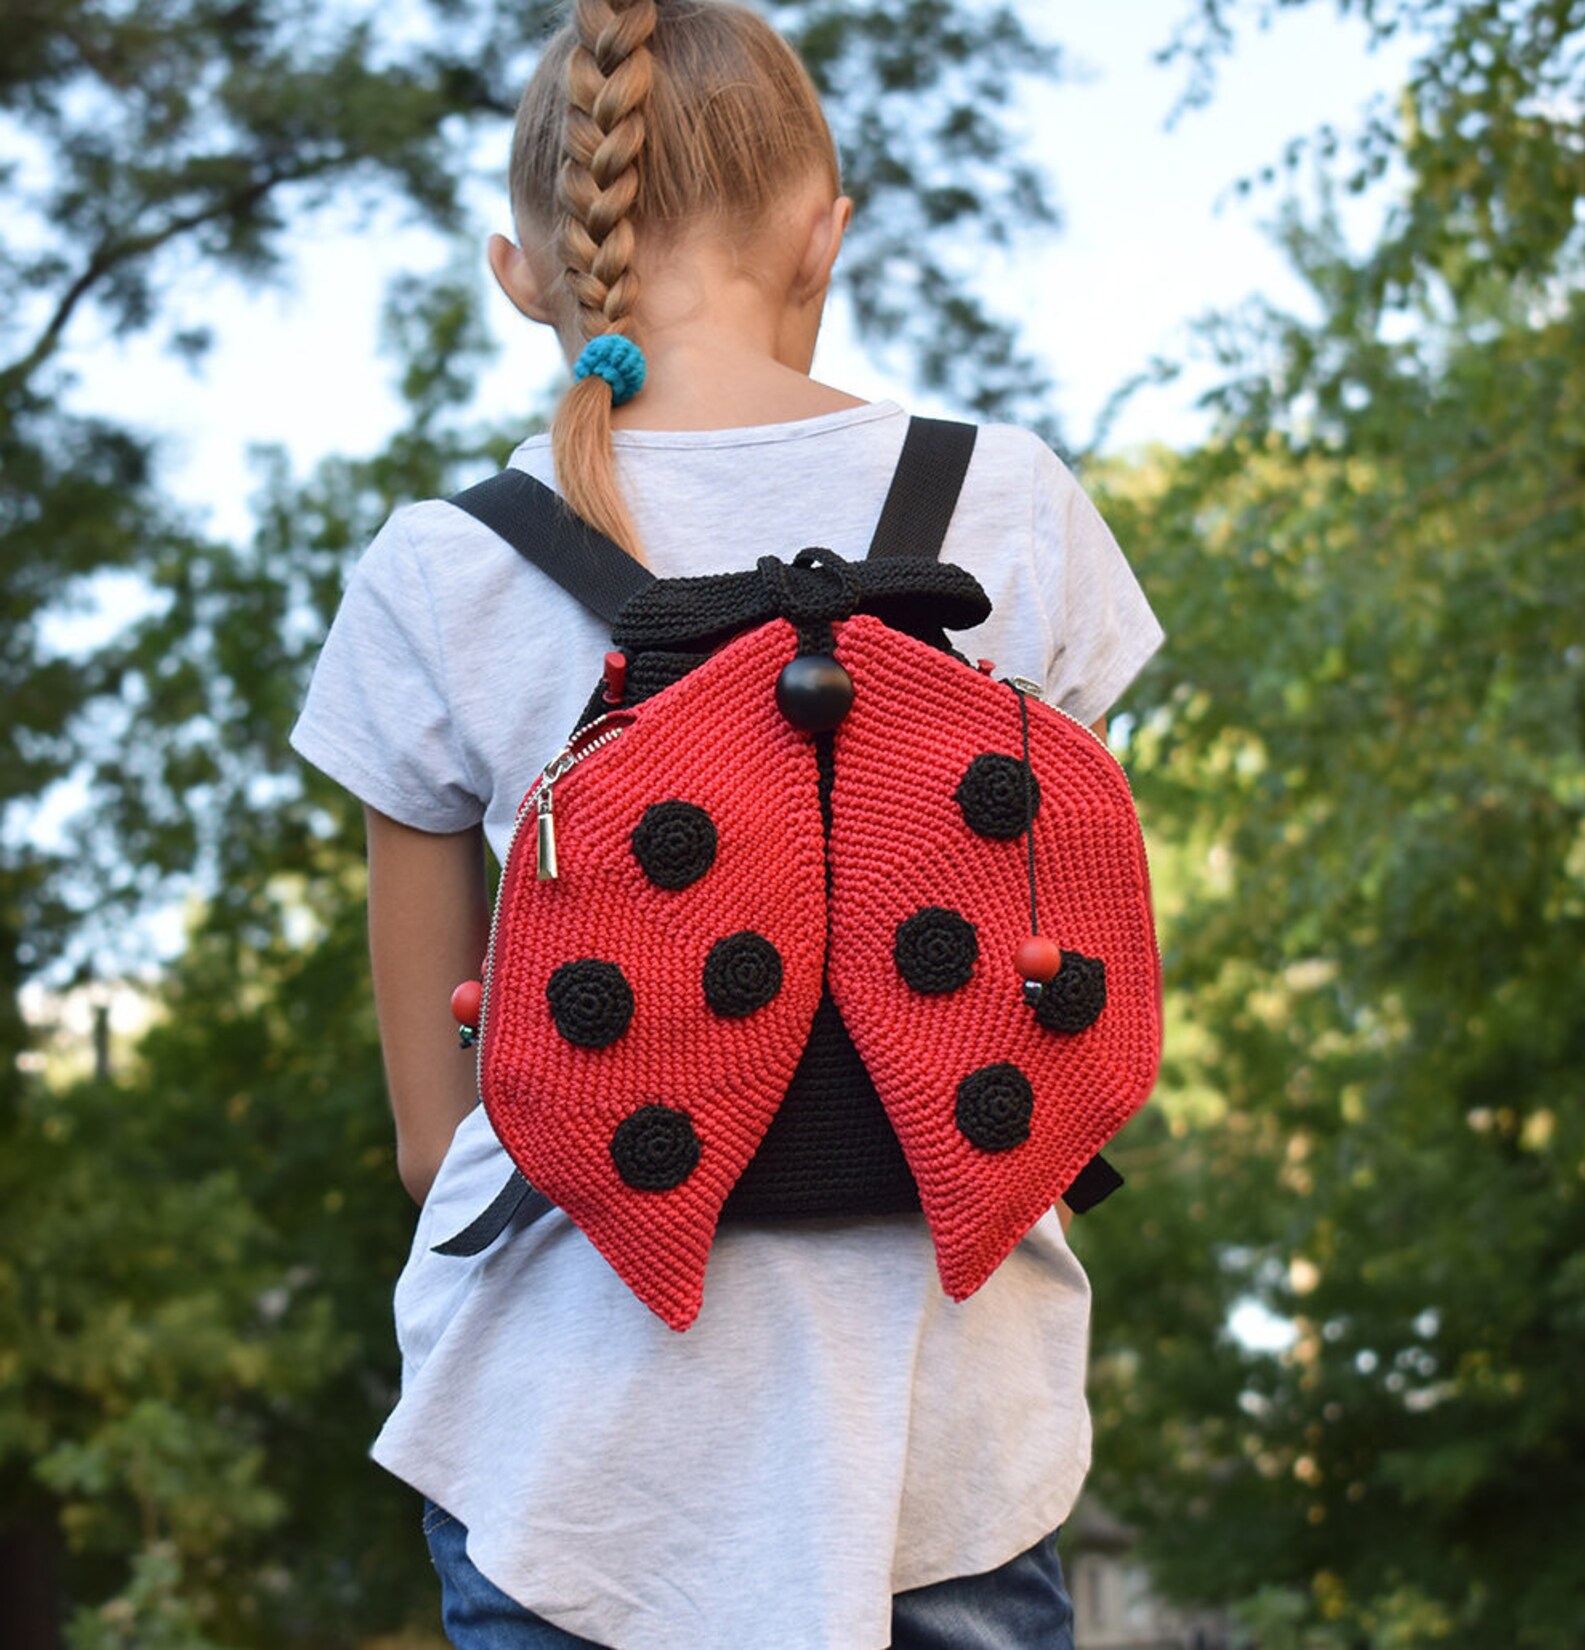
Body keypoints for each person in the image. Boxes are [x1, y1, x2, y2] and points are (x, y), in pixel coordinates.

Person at [290, 1, 1165, 1646]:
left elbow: (433, 1139)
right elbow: (1070, 992)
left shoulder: (442, 565)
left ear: (523, 271)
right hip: (947, 1451)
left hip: (566, 1468)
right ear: (825, 232)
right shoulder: (1013, 503)